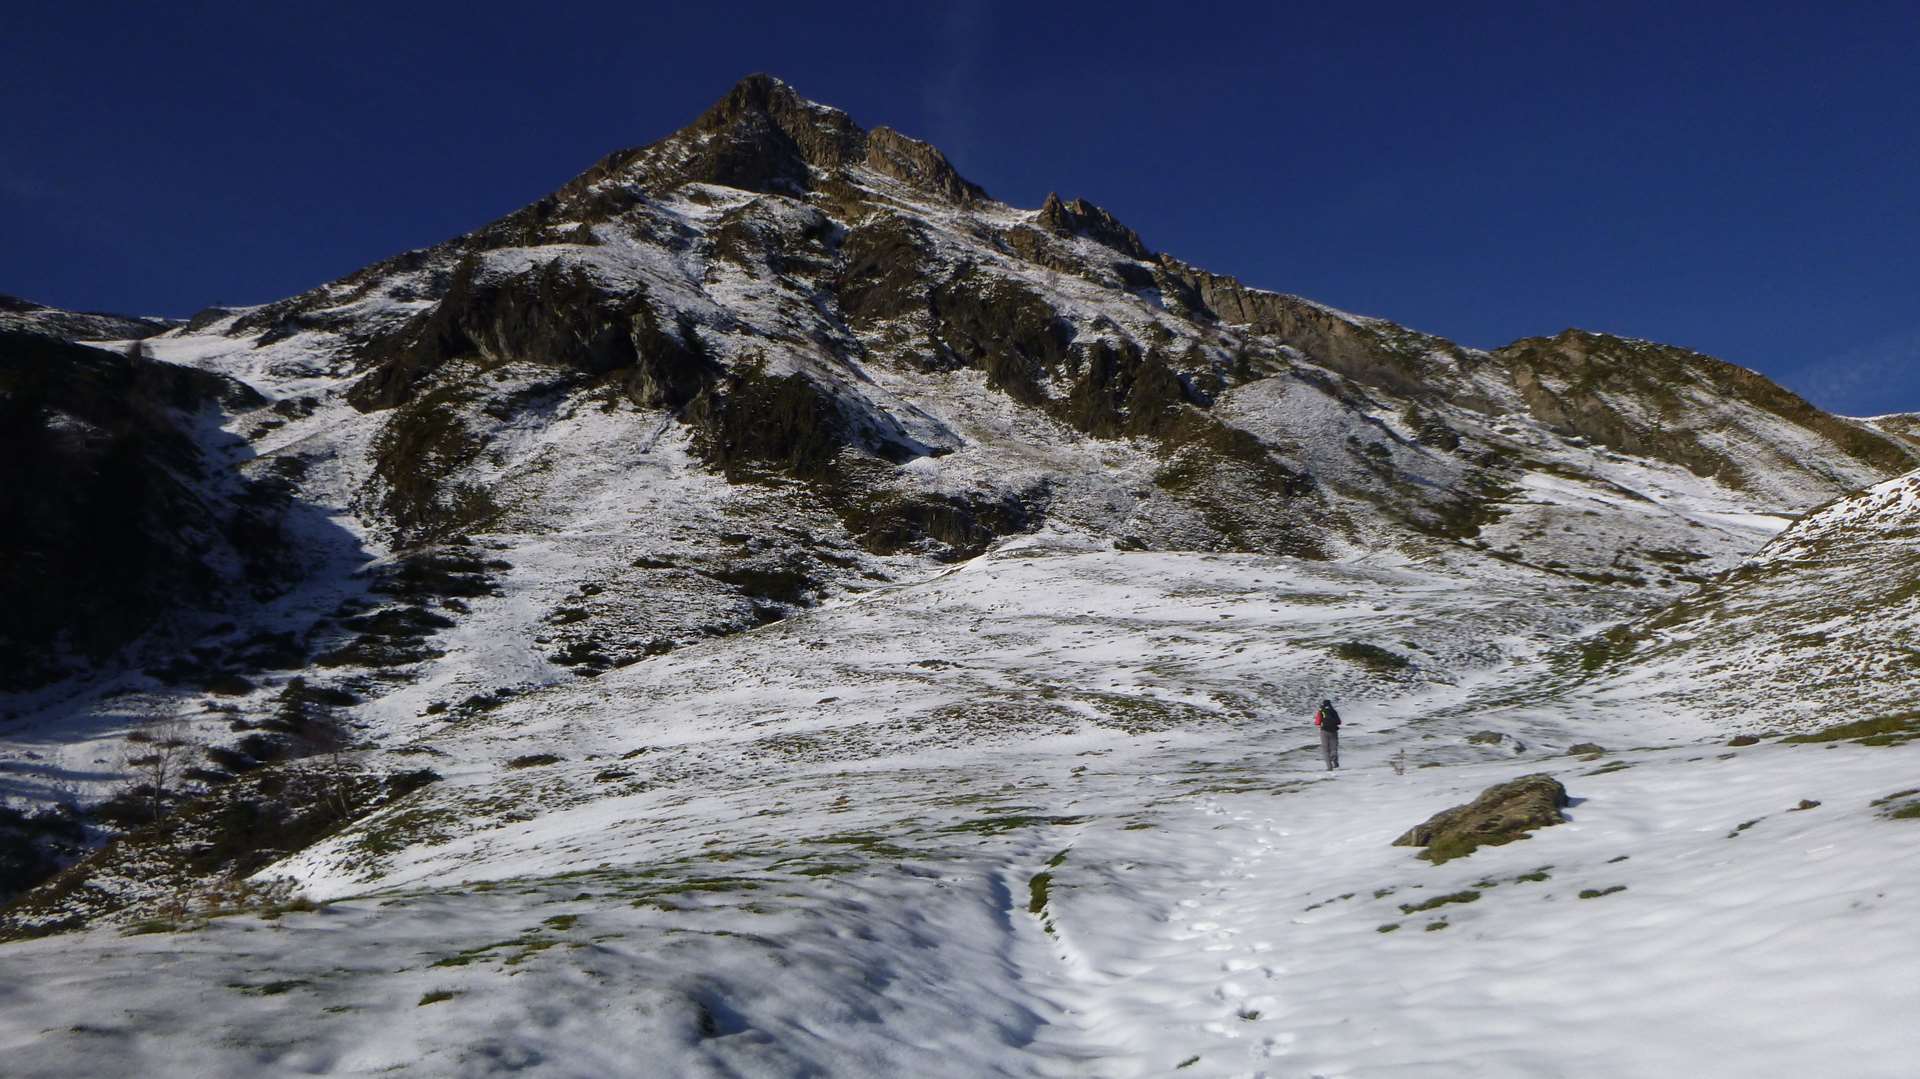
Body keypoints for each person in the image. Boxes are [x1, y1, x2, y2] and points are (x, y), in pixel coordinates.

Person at [1314, 699, 1342, 770]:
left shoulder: (1321, 711)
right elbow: (1339, 722)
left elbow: (1317, 722)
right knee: (1334, 748)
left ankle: (1329, 767)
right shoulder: (1333, 711)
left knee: (1326, 750)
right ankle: (1335, 761)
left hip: (1324, 731)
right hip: (1333, 731)